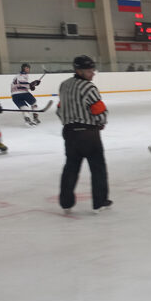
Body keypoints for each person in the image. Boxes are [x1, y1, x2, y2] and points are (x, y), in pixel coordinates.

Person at [57, 55, 111, 213]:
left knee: (71, 167)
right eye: (89, 71)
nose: (92, 73)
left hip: (69, 133)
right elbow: (99, 110)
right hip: (88, 134)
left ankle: (66, 203)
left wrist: (68, 122)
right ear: (79, 71)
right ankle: (99, 202)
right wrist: (101, 122)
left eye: (93, 70)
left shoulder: (64, 85)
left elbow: (60, 109)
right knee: (98, 168)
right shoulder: (89, 87)